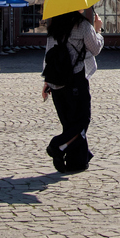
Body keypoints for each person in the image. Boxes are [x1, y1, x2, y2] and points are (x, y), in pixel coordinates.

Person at [41, 9, 104, 173]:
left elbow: (48, 54)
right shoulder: (83, 25)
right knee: (82, 120)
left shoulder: (54, 26)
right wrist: (98, 29)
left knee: (69, 123)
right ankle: (56, 146)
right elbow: (95, 48)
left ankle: (78, 161)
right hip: (75, 79)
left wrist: (47, 82)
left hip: (56, 82)